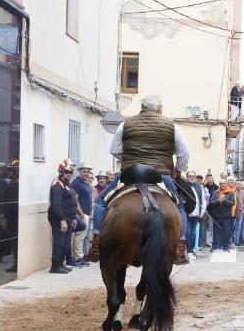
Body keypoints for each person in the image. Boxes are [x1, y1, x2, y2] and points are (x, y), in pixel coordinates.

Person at [88, 94, 190, 261]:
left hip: (130, 173)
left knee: (101, 201)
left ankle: (96, 244)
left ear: (142, 108)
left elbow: (114, 149)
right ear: (159, 108)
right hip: (161, 175)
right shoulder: (172, 126)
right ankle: (180, 246)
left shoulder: (125, 124)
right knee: (179, 206)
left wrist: (128, 161)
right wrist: (178, 170)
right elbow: (184, 153)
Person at [48, 160, 78, 274]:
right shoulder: (57, 184)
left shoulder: (66, 184)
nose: (69, 174)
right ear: (61, 172)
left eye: (71, 172)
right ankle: (55, 266)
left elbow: (71, 201)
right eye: (67, 172)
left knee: (66, 244)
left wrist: (74, 217)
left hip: (69, 218)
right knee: (59, 243)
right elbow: (56, 204)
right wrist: (62, 220)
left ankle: (61, 264)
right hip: (60, 219)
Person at [67, 162, 94, 267]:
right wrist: (82, 214)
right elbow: (75, 200)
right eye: (84, 171)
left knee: (83, 237)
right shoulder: (76, 183)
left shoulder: (85, 183)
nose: (86, 173)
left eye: (88, 171)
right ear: (79, 171)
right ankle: (77, 258)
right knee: (79, 237)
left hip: (87, 214)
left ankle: (80, 256)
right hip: (81, 214)